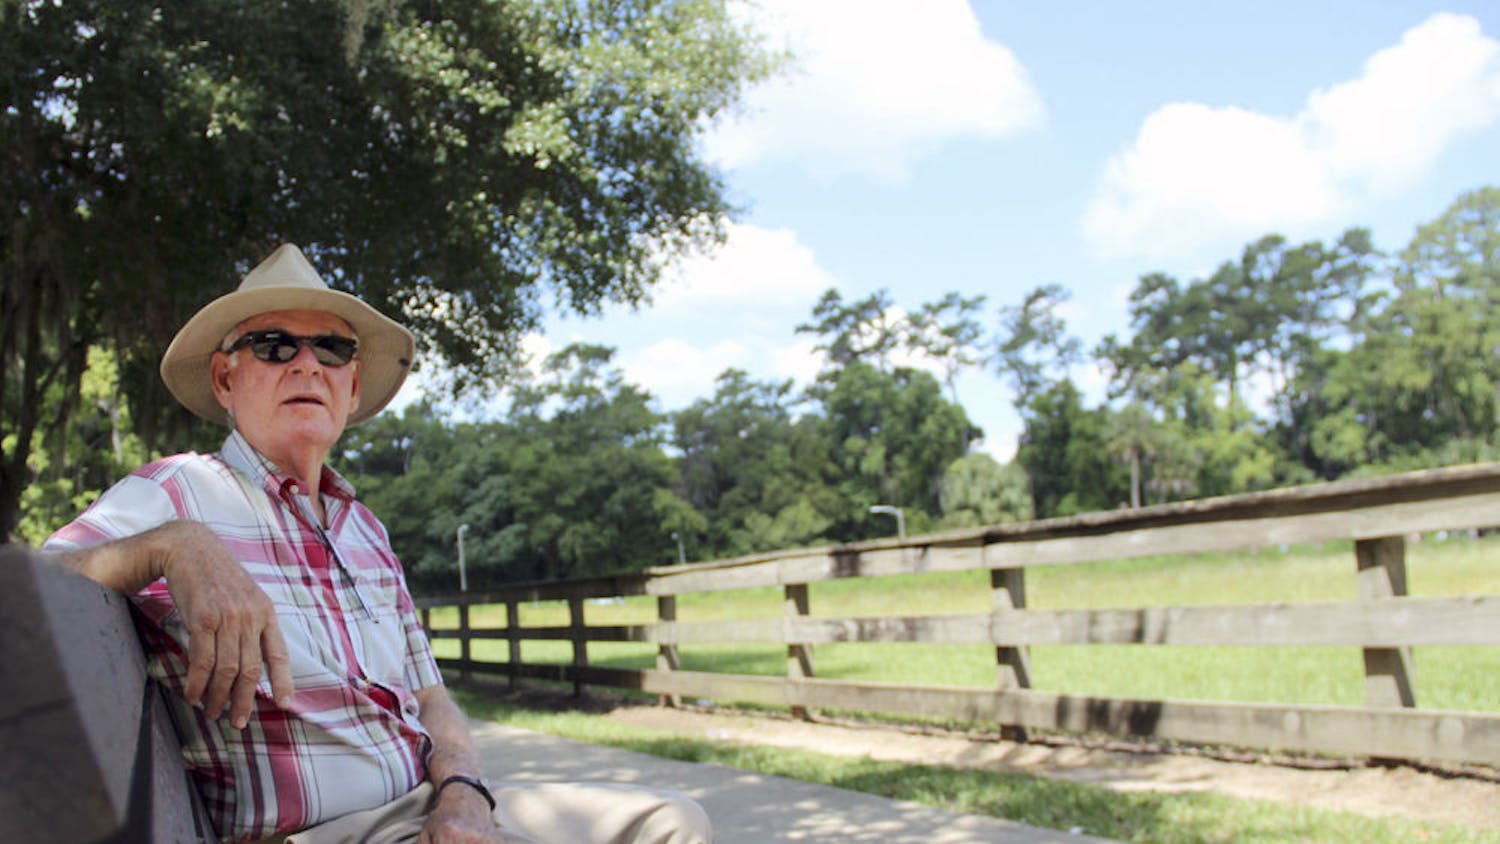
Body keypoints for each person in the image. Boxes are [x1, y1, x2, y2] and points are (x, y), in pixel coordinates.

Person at [43, 244, 712, 844]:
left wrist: (463, 793)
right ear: (225, 379)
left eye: (331, 350)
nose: (308, 365)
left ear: (353, 384)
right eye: (275, 346)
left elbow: (431, 698)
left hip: (427, 804)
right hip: (322, 832)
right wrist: (173, 545)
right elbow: (29, 590)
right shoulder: (178, 492)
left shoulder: (364, 529)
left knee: (672, 821)